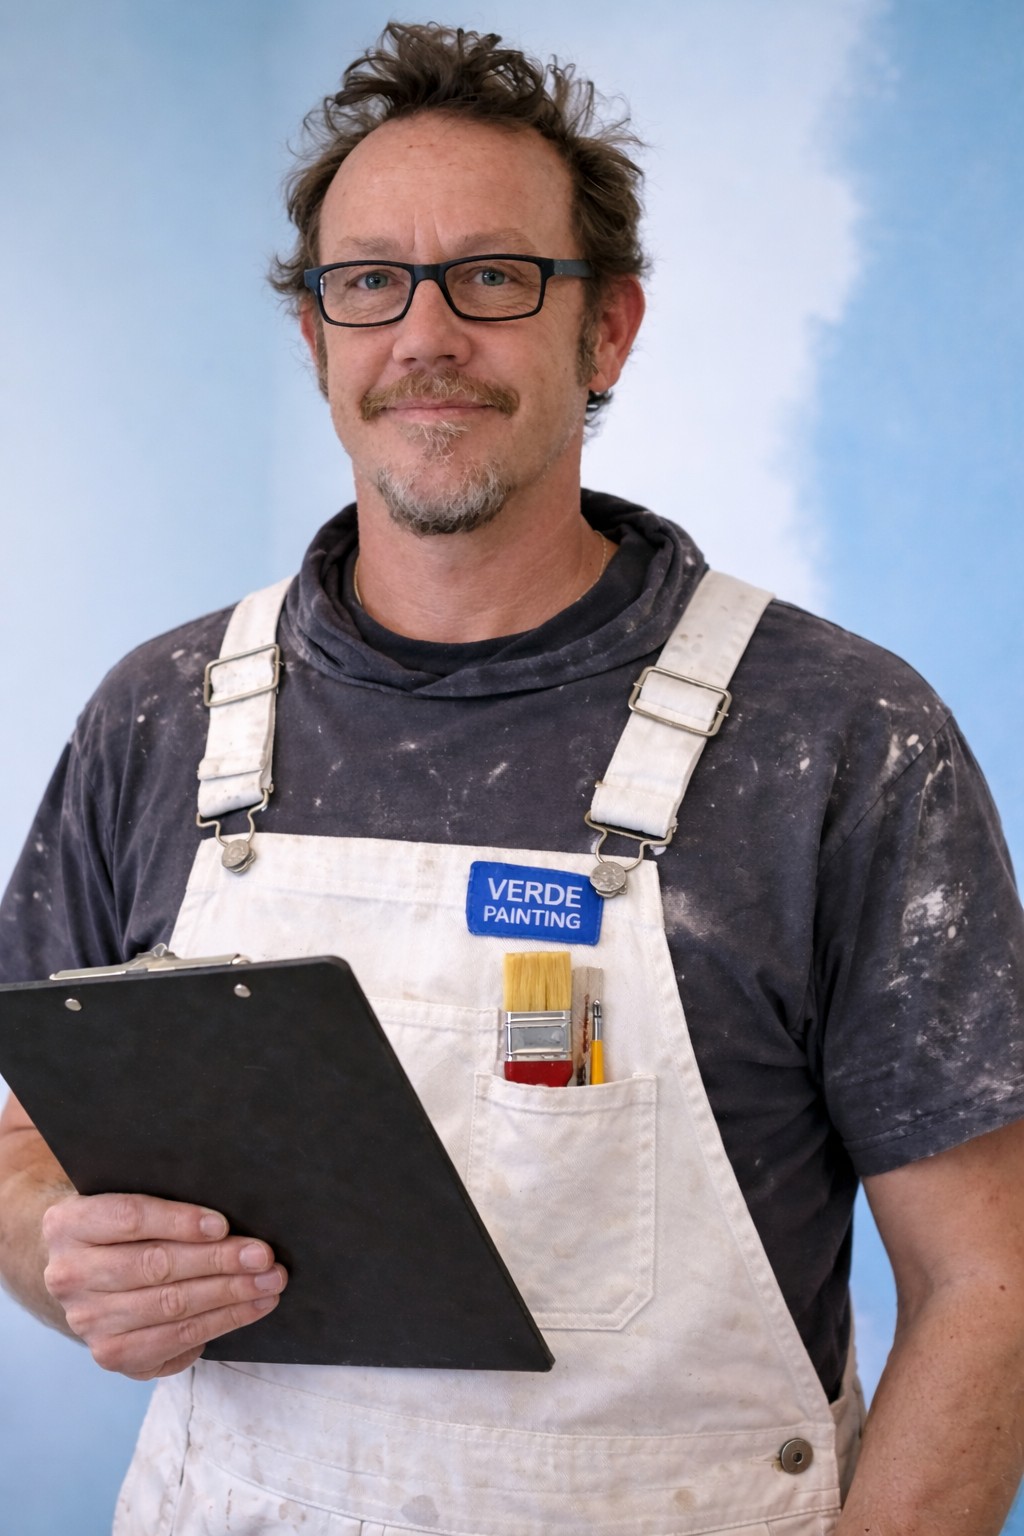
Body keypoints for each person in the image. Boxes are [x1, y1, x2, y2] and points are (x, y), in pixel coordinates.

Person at [0, 22, 1021, 1536]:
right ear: (317, 336)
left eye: (493, 277)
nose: (426, 335)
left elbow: (987, 1280)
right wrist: (58, 1252)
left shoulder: (837, 733)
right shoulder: (164, 715)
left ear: (605, 330)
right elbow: (20, 1140)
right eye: (370, 283)